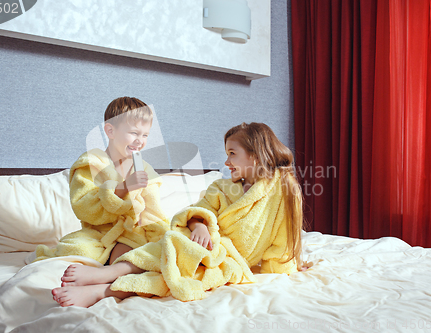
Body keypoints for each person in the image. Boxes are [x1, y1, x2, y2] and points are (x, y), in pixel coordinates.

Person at [52, 122, 304, 307]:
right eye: (227, 154)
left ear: (257, 154)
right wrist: (199, 225)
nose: (226, 162)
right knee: (170, 244)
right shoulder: (222, 187)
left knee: (173, 271)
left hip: (229, 258)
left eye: (232, 153)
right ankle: (110, 273)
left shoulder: (283, 189)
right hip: (202, 242)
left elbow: (284, 240)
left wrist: (281, 267)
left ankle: (105, 290)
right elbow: (198, 209)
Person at [36, 97, 170, 305]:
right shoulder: (91, 163)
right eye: (134, 133)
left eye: (145, 135)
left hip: (131, 233)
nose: (139, 140)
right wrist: (123, 187)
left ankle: (103, 283)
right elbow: (84, 206)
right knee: (81, 251)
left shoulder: (144, 168)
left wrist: (164, 234)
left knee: (161, 250)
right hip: (100, 232)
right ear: (110, 131)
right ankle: (108, 277)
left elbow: (152, 212)